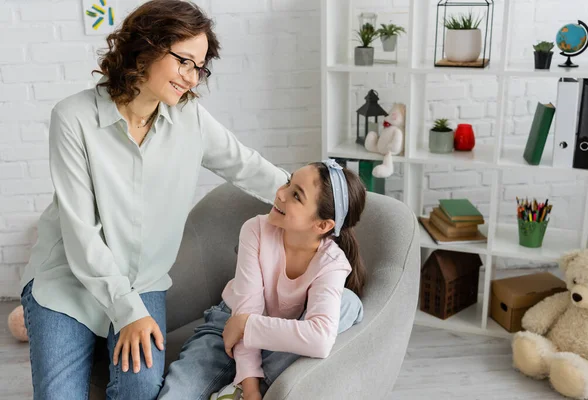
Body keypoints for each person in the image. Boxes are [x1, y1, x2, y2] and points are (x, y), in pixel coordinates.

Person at [19, 1, 290, 399]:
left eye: (199, 68)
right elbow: (80, 236)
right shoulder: (73, 117)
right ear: (146, 47)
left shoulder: (189, 118)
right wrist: (127, 314)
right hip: (68, 281)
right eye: (184, 61)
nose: (191, 79)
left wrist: (318, 199)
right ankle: (32, 318)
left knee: (140, 389)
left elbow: (246, 166)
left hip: (142, 280)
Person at [158, 160, 367, 400]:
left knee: (348, 303)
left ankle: (235, 391)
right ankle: (241, 387)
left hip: (276, 339)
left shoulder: (332, 263)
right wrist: (250, 389)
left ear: (322, 225)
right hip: (227, 325)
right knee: (176, 393)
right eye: (288, 183)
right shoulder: (256, 230)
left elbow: (319, 341)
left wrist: (247, 326)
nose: (280, 193)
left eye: (296, 195)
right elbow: (245, 310)